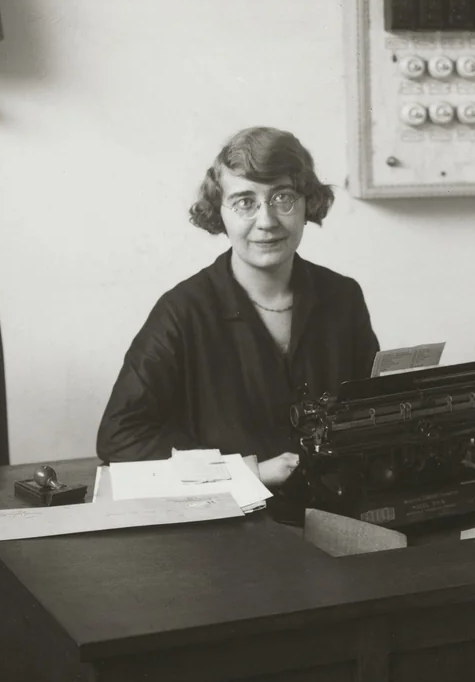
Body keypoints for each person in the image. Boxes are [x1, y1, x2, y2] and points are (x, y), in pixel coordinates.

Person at [96, 126, 379, 487]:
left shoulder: (343, 297)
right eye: (245, 202)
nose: (267, 221)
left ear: (307, 202)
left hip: (335, 508)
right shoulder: (182, 311)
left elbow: (368, 411)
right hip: (229, 522)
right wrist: (248, 473)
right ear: (219, 213)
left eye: (283, 198)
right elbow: (120, 438)